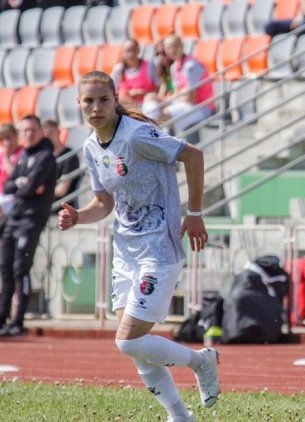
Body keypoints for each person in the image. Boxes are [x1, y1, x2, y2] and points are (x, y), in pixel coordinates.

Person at [58, 71, 218, 422]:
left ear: (115, 100)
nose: (96, 107)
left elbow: (193, 155)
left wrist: (194, 213)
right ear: (79, 104)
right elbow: (104, 202)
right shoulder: (90, 147)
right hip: (126, 252)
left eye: (103, 100)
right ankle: (180, 415)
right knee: (135, 346)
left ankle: (201, 362)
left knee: (128, 341)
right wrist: (79, 217)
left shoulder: (136, 135)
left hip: (158, 248)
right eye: (89, 101)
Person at [0, 115, 57, 337]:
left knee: (20, 269)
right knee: (5, 269)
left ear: (40, 131)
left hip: (32, 218)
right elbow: (8, 186)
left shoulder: (46, 157)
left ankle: (18, 322)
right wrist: (22, 184)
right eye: (24, 130)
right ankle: (2, 319)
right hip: (14, 217)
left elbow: (30, 187)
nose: (28, 134)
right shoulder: (24, 156)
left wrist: (24, 186)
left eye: (32, 130)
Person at [159, 35, 214, 140]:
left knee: (163, 115)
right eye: (169, 48)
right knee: (156, 110)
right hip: (187, 105)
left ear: (182, 46)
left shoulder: (190, 65)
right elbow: (178, 92)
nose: (172, 50)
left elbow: (190, 98)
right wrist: (181, 94)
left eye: (175, 46)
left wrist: (178, 96)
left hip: (202, 107)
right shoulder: (174, 66)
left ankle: (169, 146)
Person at [43, 120, 80, 213]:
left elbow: (61, 190)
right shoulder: (44, 157)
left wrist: (41, 190)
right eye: (45, 135)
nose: (49, 137)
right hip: (46, 204)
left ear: (59, 132)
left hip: (62, 207)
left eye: (51, 133)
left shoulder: (70, 157)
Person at [110, 39, 159, 109]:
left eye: (133, 50)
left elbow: (158, 89)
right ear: (123, 52)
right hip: (126, 107)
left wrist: (142, 93)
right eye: (127, 51)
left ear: (138, 50)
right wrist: (124, 95)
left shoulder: (149, 66)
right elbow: (111, 92)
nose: (131, 54)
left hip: (147, 104)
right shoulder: (118, 69)